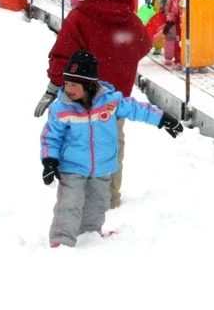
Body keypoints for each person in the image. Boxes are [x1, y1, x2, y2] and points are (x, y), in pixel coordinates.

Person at [34, 0, 153, 210]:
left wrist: (53, 87)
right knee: (110, 148)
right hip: (113, 102)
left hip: (79, 100)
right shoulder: (129, 18)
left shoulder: (79, 18)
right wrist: (118, 62)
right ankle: (109, 198)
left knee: (77, 147)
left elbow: (62, 58)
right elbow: (143, 45)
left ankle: (77, 198)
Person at [40, 49, 183, 247]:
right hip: (72, 166)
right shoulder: (61, 108)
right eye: (67, 83)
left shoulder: (110, 102)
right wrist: (49, 160)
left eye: (74, 84)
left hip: (102, 166)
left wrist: (161, 118)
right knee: (69, 204)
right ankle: (61, 241)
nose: (69, 89)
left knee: (97, 204)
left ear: (89, 85)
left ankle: (89, 235)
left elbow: (135, 109)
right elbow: (51, 136)